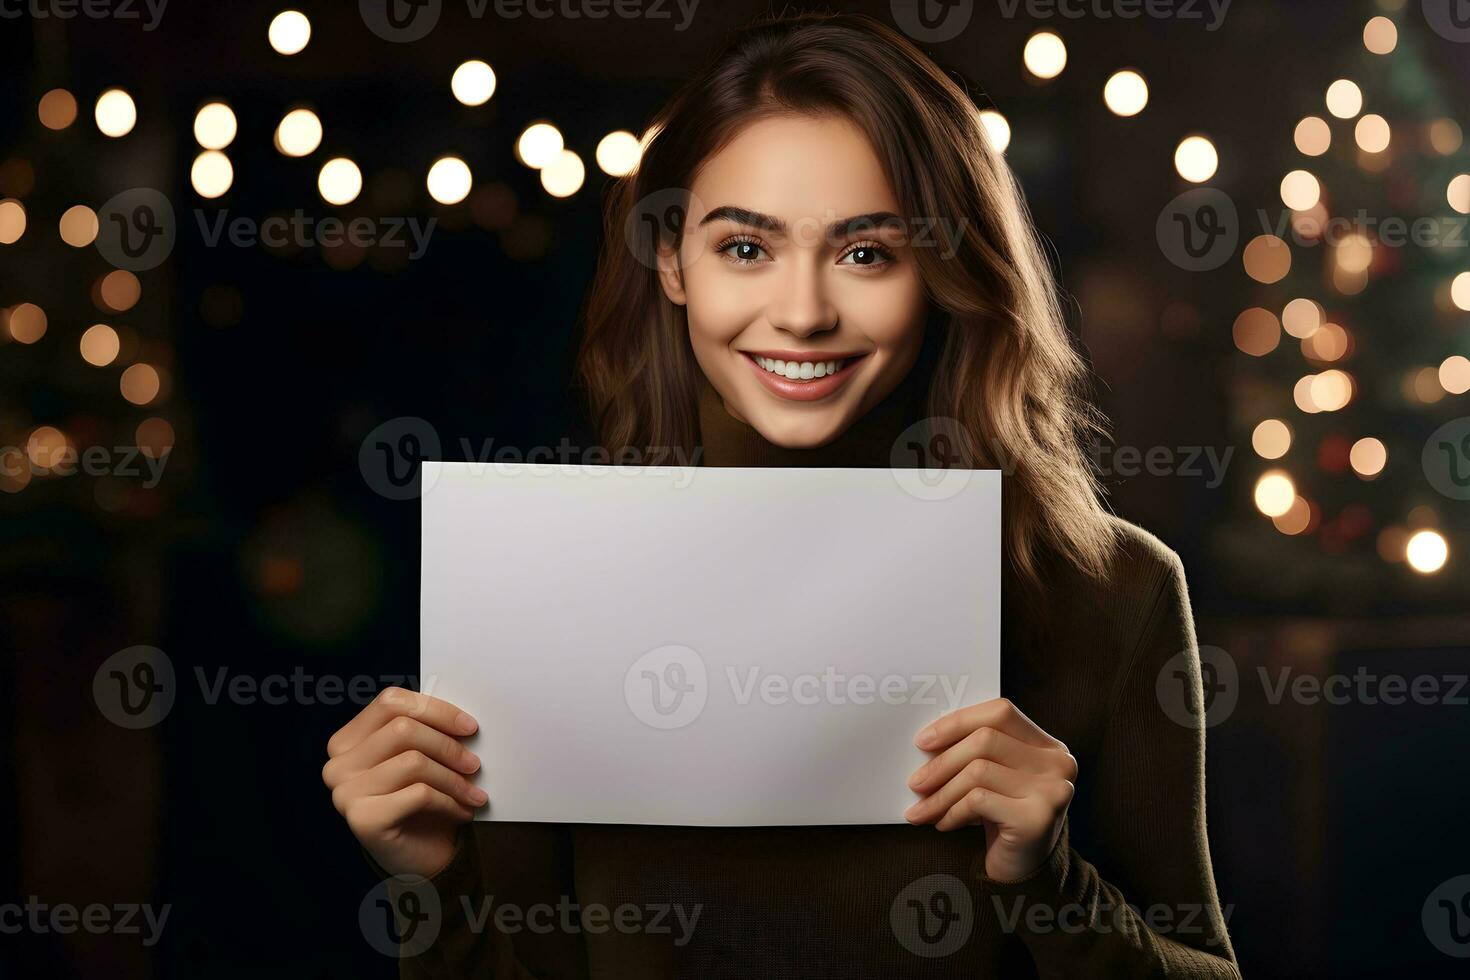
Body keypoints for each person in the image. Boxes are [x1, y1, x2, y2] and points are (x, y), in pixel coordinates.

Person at [322, 12, 1238, 977]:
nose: (802, 314)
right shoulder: (551, 575)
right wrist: (431, 880)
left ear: (940, 267)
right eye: (746, 249)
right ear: (672, 259)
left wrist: (1051, 884)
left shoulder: (1114, 590)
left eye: (867, 252)